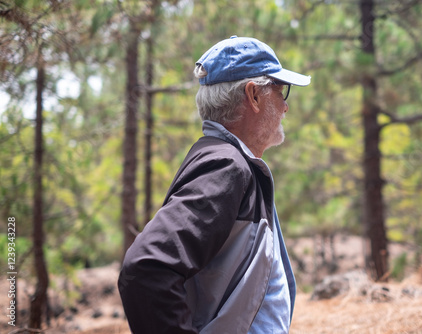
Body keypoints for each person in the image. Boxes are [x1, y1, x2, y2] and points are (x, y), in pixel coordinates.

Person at [118, 35, 311, 334]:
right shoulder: (226, 166)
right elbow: (145, 268)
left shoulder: (229, 160)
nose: (285, 107)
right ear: (254, 96)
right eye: (280, 91)